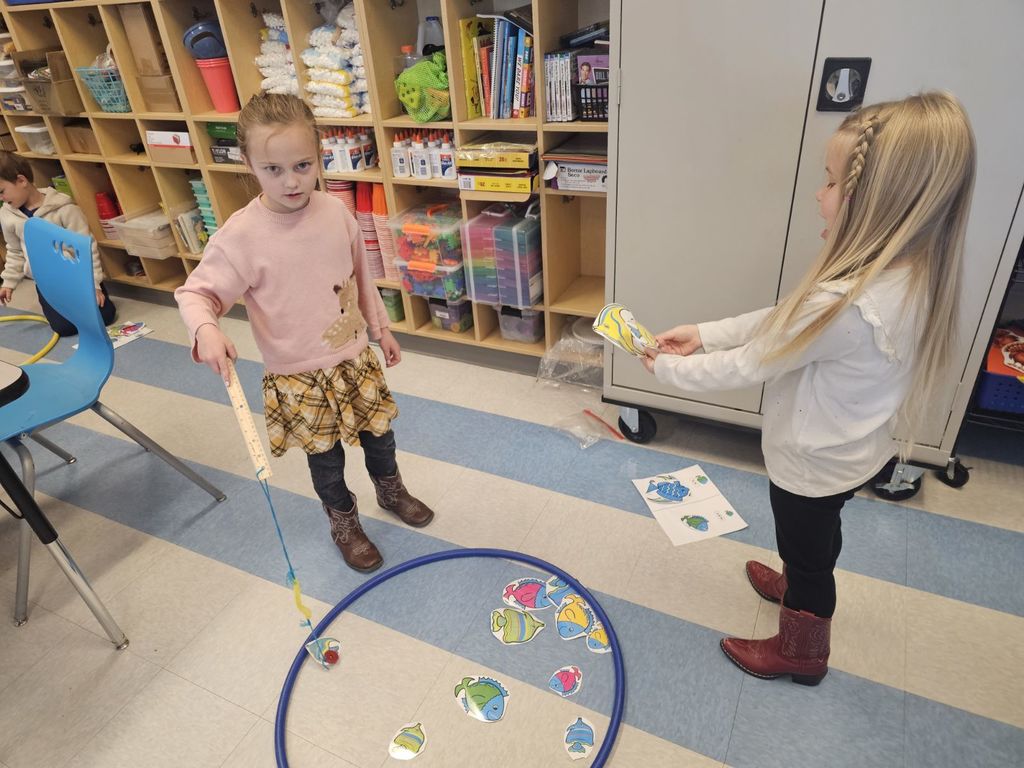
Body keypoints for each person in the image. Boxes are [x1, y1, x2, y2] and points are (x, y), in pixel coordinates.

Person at [643, 92, 976, 685]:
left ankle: (802, 649)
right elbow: (783, 320)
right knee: (818, 540)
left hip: (809, 465)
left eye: (828, 182)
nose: (818, 196)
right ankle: (800, 579)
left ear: (871, 201)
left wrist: (668, 371)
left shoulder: (844, 304)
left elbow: (751, 365)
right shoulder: (908, 274)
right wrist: (704, 333)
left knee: (808, 549)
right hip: (851, 453)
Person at [175, 93, 434, 573]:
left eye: (302, 164)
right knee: (326, 460)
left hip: (355, 358)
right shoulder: (239, 236)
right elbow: (195, 295)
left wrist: (382, 330)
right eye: (273, 169)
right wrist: (206, 330)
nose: (291, 181)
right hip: (299, 375)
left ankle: (390, 489)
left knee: (381, 436)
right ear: (248, 163)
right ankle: (344, 522)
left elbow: (359, 277)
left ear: (319, 154)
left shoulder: (336, 212)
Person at [0, 151, 117, 335]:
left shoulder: (64, 208)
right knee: (65, 328)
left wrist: (93, 284)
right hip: (48, 283)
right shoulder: (7, 215)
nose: (1, 199)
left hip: (79, 278)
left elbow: (86, 248)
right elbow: (15, 251)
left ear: (21, 181)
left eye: (1, 191)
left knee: (105, 317)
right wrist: (8, 283)